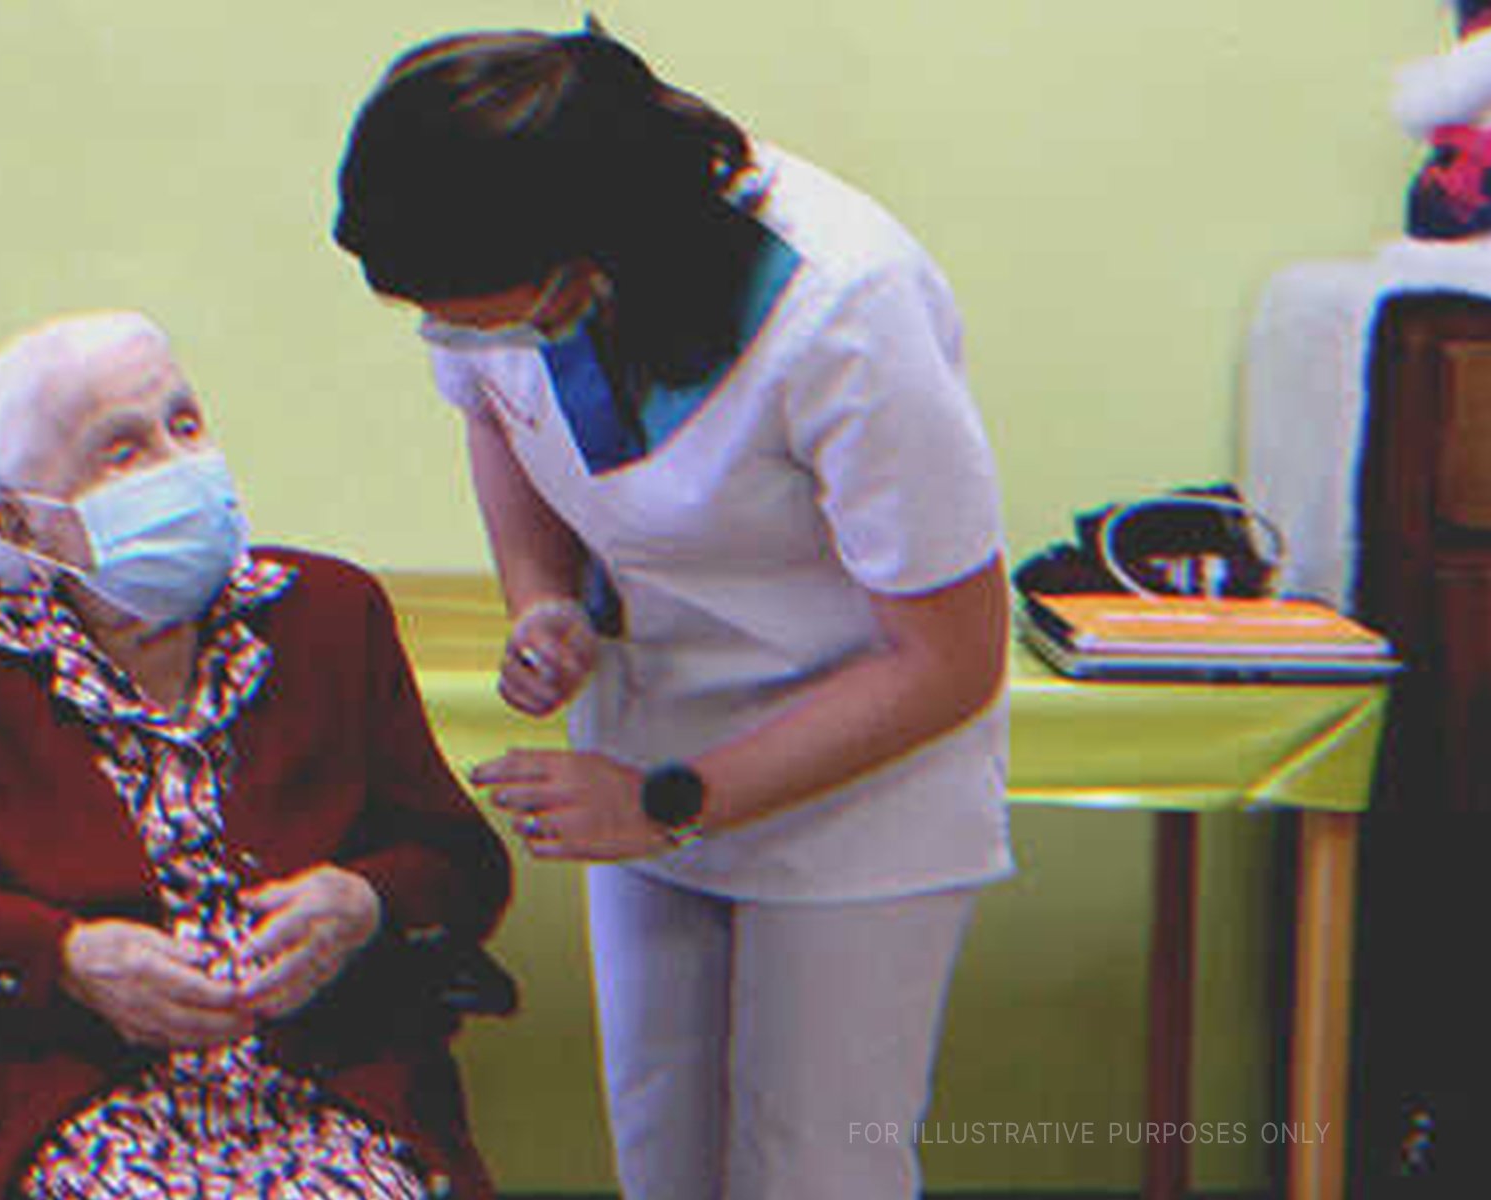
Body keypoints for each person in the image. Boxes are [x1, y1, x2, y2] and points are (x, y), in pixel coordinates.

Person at [331, 24, 1014, 1200]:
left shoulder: (845, 307)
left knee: (810, 1172)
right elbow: (495, 412)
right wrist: (543, 600)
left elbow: (952, 660)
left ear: (588, 258)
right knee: (667, 1161)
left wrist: (671, 801)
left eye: (477, 310)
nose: (457, 337)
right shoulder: (514, 273)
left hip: (856, 778)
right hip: (640, 745)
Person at [0, 310, 513, 1200]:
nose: (180, 465)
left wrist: (365, 901)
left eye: (185, 424)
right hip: (62, 1102)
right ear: (21, 524)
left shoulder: (329, 615)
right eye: (122, 451)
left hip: (321, 1098)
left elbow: (460, 862)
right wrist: (64, 954)